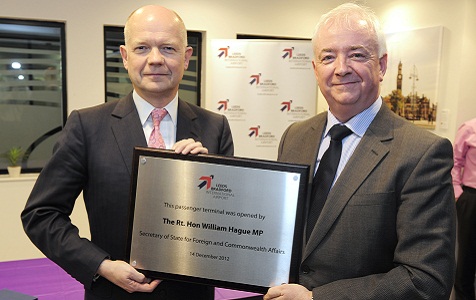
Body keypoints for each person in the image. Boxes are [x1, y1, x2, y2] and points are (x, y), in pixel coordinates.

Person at [21, 5, 233, 300]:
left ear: (186, 58)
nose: (155, 59)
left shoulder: (215, 128)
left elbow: (227, 226)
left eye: (168, 48)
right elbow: (41, 214)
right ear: (125, 56)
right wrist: (101, 265)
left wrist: (207, 179)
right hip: (112, 293)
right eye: (142, 47)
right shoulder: (87, 126)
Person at [264, 3, 456, 300]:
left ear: (381, 64)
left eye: (356, 54)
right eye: (328, 57)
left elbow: (426, 280)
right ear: (315, 70)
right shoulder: (295, 137)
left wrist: (317, 299)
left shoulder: (423, 153)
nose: (341, 68)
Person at [452, 118, 476, 300]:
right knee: (467, 258)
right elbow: (454, 162)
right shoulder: (469, 128)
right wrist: (458, 194)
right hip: (471, 198)